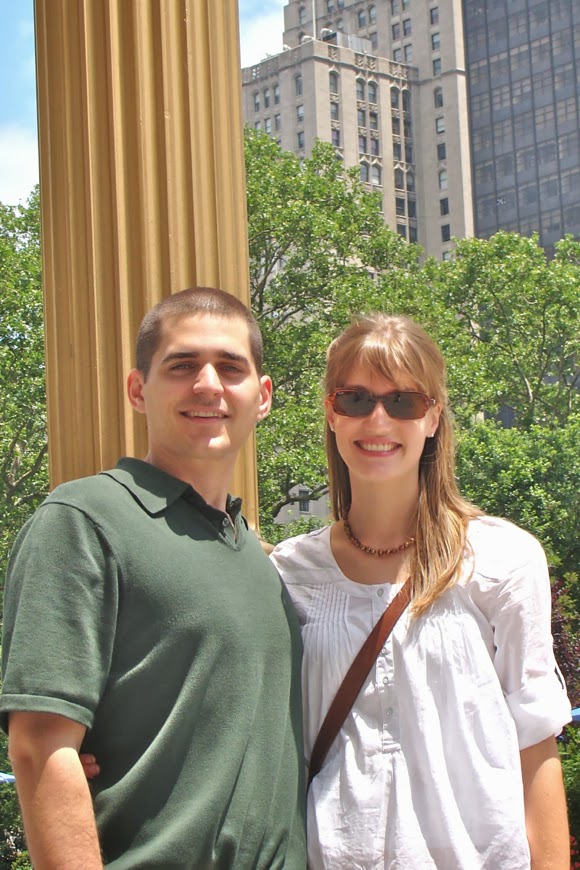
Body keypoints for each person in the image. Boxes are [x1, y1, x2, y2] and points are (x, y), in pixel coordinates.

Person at [0, 287, 306, 869]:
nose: (209, 385)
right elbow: (39, 748)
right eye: (182, 366)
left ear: (262, 396)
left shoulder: (260, 556)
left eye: (230, 367)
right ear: (138, 390)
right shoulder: (83, 521)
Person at [270, 313, 571, 869]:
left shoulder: (501, 560)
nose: (378, 419)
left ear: (432, 417)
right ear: (332, 413)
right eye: (356, 399)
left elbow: (535, 743)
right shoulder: (291, 573)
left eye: (403, 402)